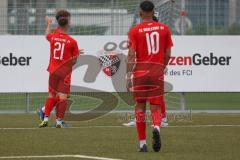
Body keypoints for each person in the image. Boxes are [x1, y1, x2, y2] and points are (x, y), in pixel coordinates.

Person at [126, 0, 173, 152]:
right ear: (154, 12)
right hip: (156, 73)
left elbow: (131, 55)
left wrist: (128, 75)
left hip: (140, 73)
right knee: (156, 107)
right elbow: (168, 53)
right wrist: (162, 67)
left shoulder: (134, 30)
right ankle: (157, 127)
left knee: (139, 108)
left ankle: (142, 144)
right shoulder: (164, 29)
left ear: (140, 13)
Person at [123, 15, 168, 128]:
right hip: (155, 69)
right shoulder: (161, 30)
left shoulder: (140, 31)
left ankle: (162, 118)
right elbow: (166, 52)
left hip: (145, 69)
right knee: (155, 96)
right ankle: (160, 120)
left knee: (145, 98)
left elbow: (132, 53)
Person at [39, 10, 80, 128]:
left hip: (53, 71)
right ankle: (59, 122)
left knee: (51, 95)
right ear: (67, 21)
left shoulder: (53, 36)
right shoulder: (72, 41)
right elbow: (74, 60)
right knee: (63, 97)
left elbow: (47, 34)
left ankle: (45, 118)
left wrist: (48, 24)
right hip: (65, 73)